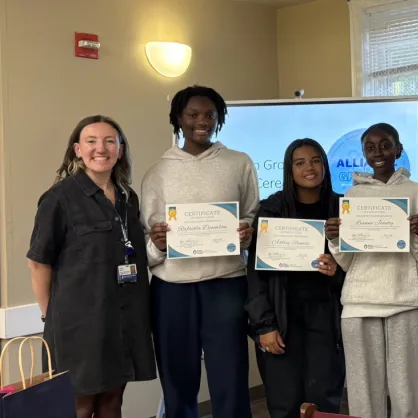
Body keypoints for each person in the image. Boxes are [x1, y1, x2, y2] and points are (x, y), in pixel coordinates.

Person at [141, 85, 259, 418]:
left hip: (226, 283)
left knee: (231, 378)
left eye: (209, 114)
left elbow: (250, 214)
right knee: (178, 381)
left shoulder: (239, 163)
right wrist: (158, 244)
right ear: (178, 118)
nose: (201, 121)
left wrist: (247, 234)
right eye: (192, 114)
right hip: (172, 290)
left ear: (219, 118)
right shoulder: (157, 172)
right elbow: (146, 240)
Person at [27, 115, 157, 418]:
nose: (102, 148)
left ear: (120, 150)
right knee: (81, 409)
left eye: (110, 141)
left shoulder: (128, 198)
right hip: (78, 327)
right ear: (77, 149)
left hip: (124, 321)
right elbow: (37, 262)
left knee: (113, 403)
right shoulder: (59, 198)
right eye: (92, 141)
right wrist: (51, 317)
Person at [325, 123, 418, 418]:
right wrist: (335, 238)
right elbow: (348, 261)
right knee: (362, 392)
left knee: (407, 390)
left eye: (385, 145)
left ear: (398, 149)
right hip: (359, 302)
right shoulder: (352, 195)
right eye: (370, 148)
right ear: (363, 154)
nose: (378, 153)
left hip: (406, 299)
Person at [246, 138, 346, 418]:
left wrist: (337, 270)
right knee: (284, 402)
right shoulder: (271, 210)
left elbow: (358, 270)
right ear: (289, 170)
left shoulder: (343, 209)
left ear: (325, 166)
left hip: (327, 319)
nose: (309, 168)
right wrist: (264, 325)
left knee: (324, 400)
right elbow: (256, 275)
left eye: (315, 160)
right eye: (299, 163)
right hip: (281, 317)